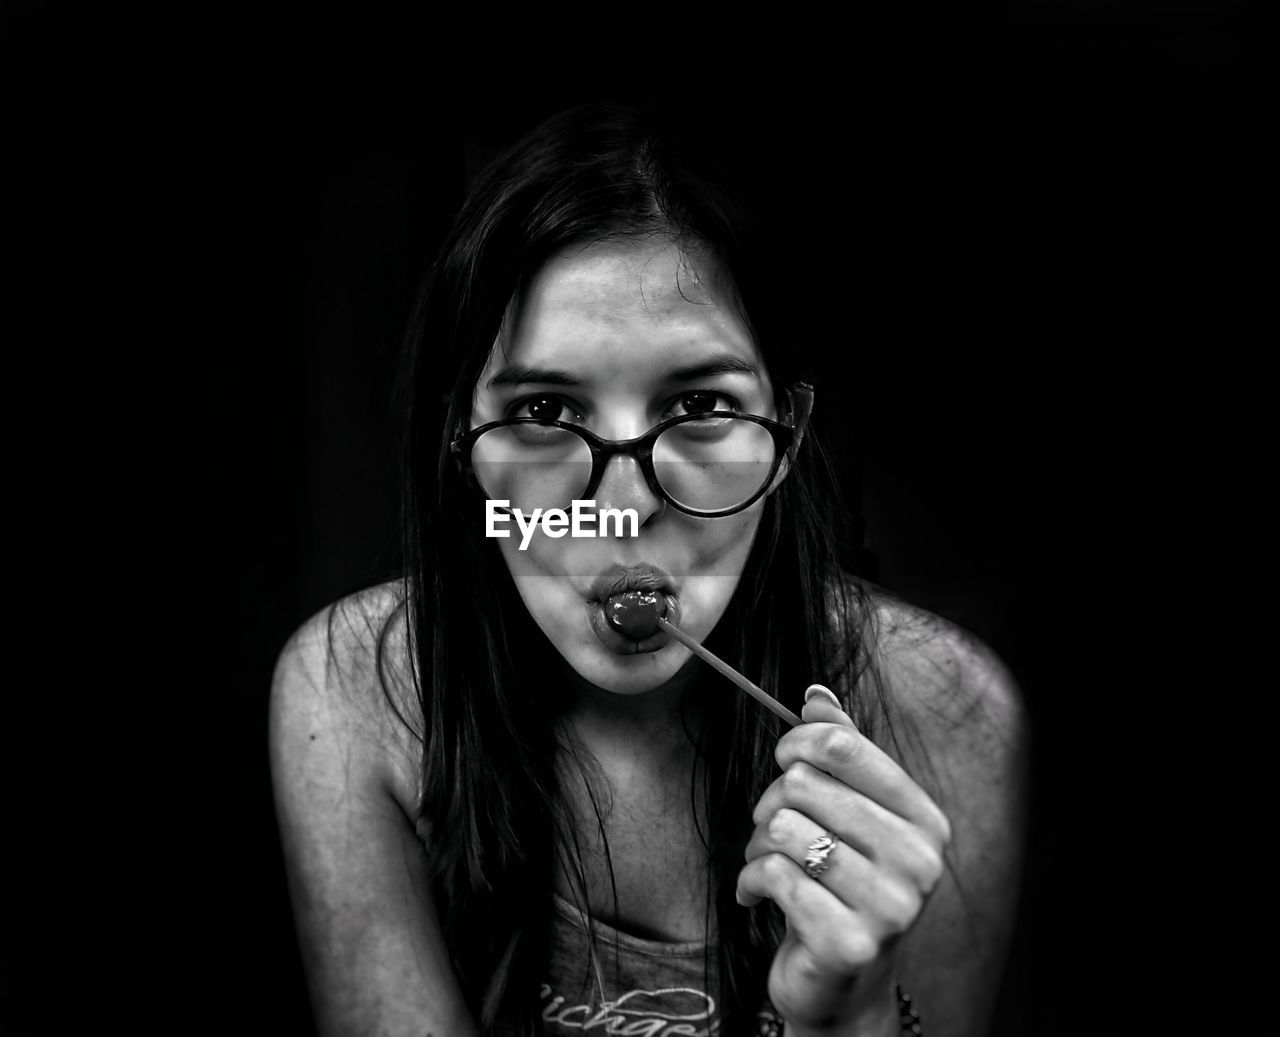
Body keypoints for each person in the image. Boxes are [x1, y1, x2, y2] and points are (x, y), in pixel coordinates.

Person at [269, 103, 1027, 1037]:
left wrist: (854, 1015)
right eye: (545, 409)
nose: (625, 509)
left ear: (786, 434)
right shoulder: (362, 692)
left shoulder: (947, 716)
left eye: (702, 402)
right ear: (460, 444)